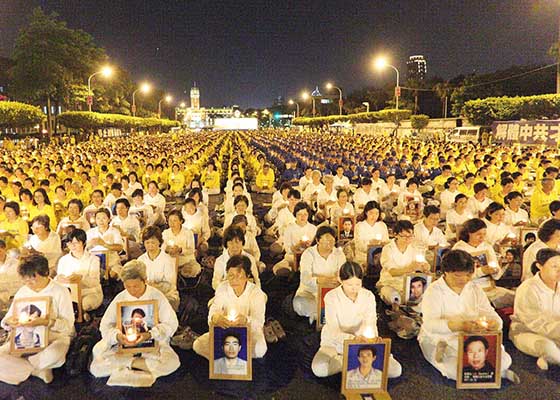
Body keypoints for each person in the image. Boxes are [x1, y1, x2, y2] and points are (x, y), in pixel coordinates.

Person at [418, 250, 519, 384]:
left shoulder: (474, 288)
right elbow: (430, 324)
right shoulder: (434, 291)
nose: (464, 280)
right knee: (455, 369)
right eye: (458, 275)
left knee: (505, 359)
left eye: (468, 275)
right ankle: (494, 373)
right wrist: (459, 326)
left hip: (473, 339)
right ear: (445, 272)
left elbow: (489, 312)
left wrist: (493, 323)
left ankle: (495, 371)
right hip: (441, 339)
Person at [89, 260, 180, 387]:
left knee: (172, 363)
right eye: (128, 286)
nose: (132, 290)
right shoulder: (121, 297)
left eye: (136, 286)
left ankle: (126, 364)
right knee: (96, 363)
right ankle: (140, 364)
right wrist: (117, 336)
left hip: (152, 342)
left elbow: (171, 324)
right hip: (124, 343)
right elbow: (105, 325)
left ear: (145, 280)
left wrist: (150, 334)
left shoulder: (156, 296)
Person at [312, 261, 401, 380]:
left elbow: (371, 323)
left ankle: (354, 363)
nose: (354, 289)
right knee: (319, 368)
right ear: (340, 280)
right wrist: (352, 339)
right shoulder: (331, 297)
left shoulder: (368, 296)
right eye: (349, 285)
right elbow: (333, 330)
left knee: (395, 370)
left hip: (363, 343)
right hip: (336, 343)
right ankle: (356, 363)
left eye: (358, 284)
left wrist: (372, 338)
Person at [0, 254, 75, 385]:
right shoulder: (23, 291)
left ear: (45, 273)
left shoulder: (60, 291)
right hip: (25, 337)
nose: (29, 284)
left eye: (33, 280)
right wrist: (9, 321)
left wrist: (46, 322)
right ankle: (37, 371)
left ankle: (20, 367)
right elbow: (7, 319)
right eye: (25, 280)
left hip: (55, 336)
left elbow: (68, 326)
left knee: (54, 353)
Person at [194, 255, 267, 360]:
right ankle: (229, 358)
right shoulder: (223, 287)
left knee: (259, 349)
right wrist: (215, 317)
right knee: (198, 345)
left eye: (239, 276)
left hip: (249, 333)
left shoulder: (256, 293)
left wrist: (246, 320)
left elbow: (259, 322)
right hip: (225, 332)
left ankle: (229, 357)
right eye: (231, 275)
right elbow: (214, 309)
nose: (234, 280)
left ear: (247, 276)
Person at [510, 248, 560, 370]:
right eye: (554, 266)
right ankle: (550, 355)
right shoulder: (528, 288)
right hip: (527, 332)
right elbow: (533, 322)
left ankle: (548, 358)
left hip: (556, 332)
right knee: (547, 347)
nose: (559, 270)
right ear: (539, 266)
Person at [293, 226, 346, 323]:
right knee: (299, 302)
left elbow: (342, 275)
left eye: (332, 240)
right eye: (326, 240)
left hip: (332, 291)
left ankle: (322, 316)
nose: (329, 243)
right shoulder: (308, 254)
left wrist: (336, 280)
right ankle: (323, 316)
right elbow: (305, 278)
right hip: (310, 292)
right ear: (318, 240)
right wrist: (322, 280)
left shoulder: (339, 254)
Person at [378, 220, 430, 305]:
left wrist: (425, 267)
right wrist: (410, 268)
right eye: (404, 236)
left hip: (410, 285)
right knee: (395, 298)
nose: (408, 239)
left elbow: (424, 263)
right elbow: (392, 272)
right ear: (395, 235)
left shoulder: (414, 247)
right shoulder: (388, 249)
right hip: (390, 283)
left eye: (410, 236)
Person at [56, 229, 103, 312]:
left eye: (76, 243)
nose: (72, 246)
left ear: (84, 243)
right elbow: (59, 279)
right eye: (70, 243)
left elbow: (95, 282)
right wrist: (59, 279)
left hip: (89, 292)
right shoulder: (63, 260)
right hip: (70, 294)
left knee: (85, 304)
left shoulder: (93, 259)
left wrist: (81, 278)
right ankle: (78, 313)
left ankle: (81, 313)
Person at [138, 226, 180, 311]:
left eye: (153, 242)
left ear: (159, 242)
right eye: (147, 242)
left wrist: (154, 286)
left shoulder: (167, 259)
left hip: (167, 295)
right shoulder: (140, 260)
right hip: (146, 295)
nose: (150, 245)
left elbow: (170, 284)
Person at [212, 225, 260, 290]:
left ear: (242, 242)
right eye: (231, 242)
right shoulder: (220, 261)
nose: (234, 246)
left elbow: (256, 280)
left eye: (237, 242)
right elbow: (215, 283)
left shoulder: (250, 259)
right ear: (226, 244)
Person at [162, 209, 201, 279]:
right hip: (170, 262)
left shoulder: (188, 233)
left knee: (194, 269)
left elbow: (191, 250)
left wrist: (180, 250)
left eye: (175, 221)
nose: (172, 223)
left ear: (181, 221)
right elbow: (162, 247)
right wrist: (166, 249)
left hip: (186, 262)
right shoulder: (165, 233)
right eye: (170, 220)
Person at [354, 201, 389, 268]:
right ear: (366, 213)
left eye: (376, 213)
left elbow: (386, 241)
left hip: (380, 256)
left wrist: (380, 243)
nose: (374, 216)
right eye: (371, 213)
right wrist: (370, 244)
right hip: (363, 256)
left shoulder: (382, 225)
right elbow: (358, 245)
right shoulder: (359, 226)